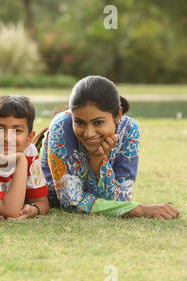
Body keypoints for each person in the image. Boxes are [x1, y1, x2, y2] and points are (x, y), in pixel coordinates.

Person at [40, 75, 180, 219]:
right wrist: (139, 210)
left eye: (98, 122)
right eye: (79, 122)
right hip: (52, 196)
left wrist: (98, 160)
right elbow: (71, 202)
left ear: (118, 114)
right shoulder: (61, 127)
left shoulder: (129, 130)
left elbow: (122, 200)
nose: (89, 133)